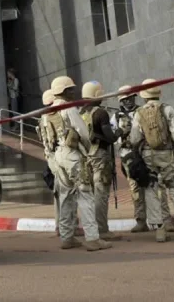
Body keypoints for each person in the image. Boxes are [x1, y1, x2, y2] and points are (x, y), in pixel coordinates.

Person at [46, 75, 110, 251]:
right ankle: (92, 238)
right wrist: (87, 150)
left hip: (57, 156)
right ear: (63, 91)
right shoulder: (69, 108)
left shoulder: (48, 112)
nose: (74, 92)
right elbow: (82, 132)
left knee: (66, 196)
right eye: (71, 89)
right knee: (86, 194)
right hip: (72, 155)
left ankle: (67, 237)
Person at [129, 79, 174, 243]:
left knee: (152, 191)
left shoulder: (139, 113)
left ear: (143, 95)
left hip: (147, 156)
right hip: (166, 154)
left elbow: (134, 138)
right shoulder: (167, 109)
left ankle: (160, 230)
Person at [112, 86, 174, 233]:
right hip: (128, 156)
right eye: (125, 99)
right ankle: (141, 220)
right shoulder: (116, 117)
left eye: (131, 98)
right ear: (121, 101)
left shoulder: (143, 111)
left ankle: (166, 219)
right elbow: (113, 136)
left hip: (146, 152)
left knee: (158, 185)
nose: (128, 101)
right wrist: (121, 132)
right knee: (135, 188)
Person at [79, 81, 121, 241]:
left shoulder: (81, 112)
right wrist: (119, 133)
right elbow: (109, 136)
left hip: (86, 156)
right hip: (100, 156)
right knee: (101, 193)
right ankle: (102, 229)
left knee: (89, 194)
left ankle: (91, 228)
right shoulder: (100, 113)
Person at [37, 89, 60, 237]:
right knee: (67, 193)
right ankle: (67, 225)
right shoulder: (55, 116)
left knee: (58, 194)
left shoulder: (42, 118)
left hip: (50, 157)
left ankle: (59, 225)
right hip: (59, 156)